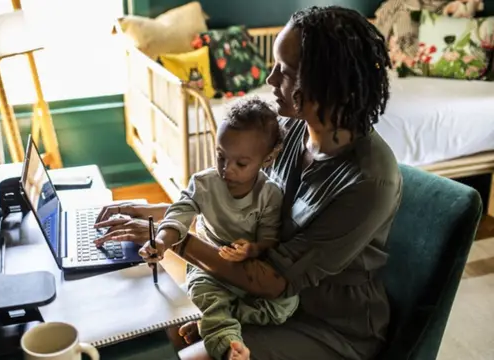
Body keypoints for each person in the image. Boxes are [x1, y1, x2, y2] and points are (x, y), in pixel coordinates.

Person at [94, 5, 402, 360]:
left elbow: (271, 279)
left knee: (187, 355)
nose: (271, 80)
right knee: (156, 331)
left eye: (285, 72)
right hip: (262, 300)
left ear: (327, 84)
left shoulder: (368, 181)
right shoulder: (291, 132)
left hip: (330, 326)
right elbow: (248, 207)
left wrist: (174, 238)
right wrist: (161, 213)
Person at [155, 97, 299, 360]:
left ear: (266, 160)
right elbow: (181, 210)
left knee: (285, 306)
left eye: (240, 164)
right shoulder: (204, 183)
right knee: (207, 295)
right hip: (209, 269)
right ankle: (228, 345)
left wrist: (251, 249)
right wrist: (163, 240)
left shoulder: (269, 194)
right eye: (220, 156)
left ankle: (211, 321)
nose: (226, 169)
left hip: (248, 271)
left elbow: (269, 239)